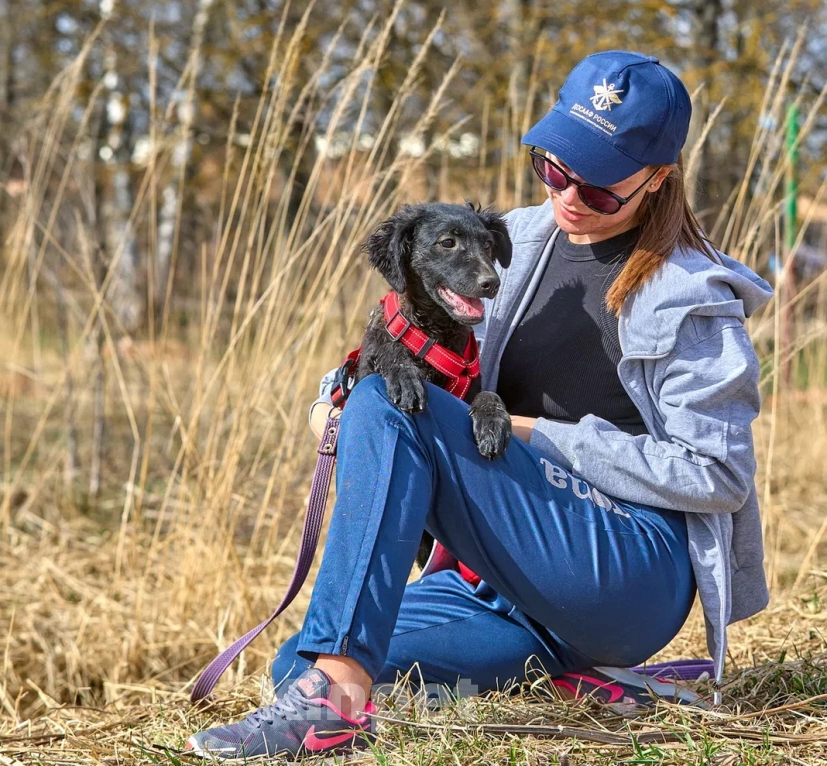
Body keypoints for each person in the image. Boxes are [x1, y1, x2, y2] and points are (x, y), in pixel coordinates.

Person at [186, 51, 773, 760]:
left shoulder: (694, 300)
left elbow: (717, 474)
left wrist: (532, 434)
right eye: (555, 167)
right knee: (299, 662)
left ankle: (333, 707)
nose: (570, 196)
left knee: (337, 665)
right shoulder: (512, 241)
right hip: (502, 581)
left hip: (626, 571)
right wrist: (334, 407)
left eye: (601, 186)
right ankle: (569, 674)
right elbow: (404, 340)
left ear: (658, 178)